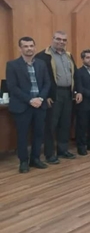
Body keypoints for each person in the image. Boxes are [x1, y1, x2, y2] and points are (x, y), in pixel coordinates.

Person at [6, 37, 50, 173]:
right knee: (23, 135)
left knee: (38, 134)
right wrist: (30, 100)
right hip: (22, 106)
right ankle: (23, 161)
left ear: (35, 47)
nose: (29, 48)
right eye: (25, 46)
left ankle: (35, 159)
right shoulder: (12, 65)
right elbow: (12, 87)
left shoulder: (41, 64)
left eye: (31, 46)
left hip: (40, 105)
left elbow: (47, 83)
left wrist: (40, 98)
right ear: (20, 49)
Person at [35, 31, 78, 162]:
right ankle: (49, 154)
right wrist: (46, 96)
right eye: (58, 39)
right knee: (51, 125)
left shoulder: (68, 55)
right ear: (52, 39)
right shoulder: (43, 56)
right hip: (53, 95)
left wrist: (77, 91)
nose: (61, 42)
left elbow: (75, 74)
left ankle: (63, 150)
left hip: (68, 94)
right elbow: (39, 78)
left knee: (65, 123)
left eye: (64, 40)